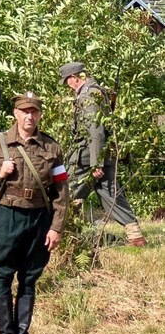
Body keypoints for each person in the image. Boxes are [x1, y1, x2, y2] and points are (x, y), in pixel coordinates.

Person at [0, 92, 68, 334]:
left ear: (40, 115)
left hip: (37, 218)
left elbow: (61, 192)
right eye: (24, 111)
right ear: (15, 114)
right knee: (2, 274)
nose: (29, 116)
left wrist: (56, 227)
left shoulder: (51, 148)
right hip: (6, 215)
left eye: (34, 112)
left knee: (30, 275)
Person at [59, 62, 146, 246]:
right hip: (104, 153)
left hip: (87, 157)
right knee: (109, 193)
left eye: (67, 81)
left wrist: (95, 163)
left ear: (75, 78)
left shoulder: (88, 94)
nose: (68, 86)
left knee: (67, 192)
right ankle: (134, 235)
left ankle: (64, 235)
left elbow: (95, 130)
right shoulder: (99, 91)